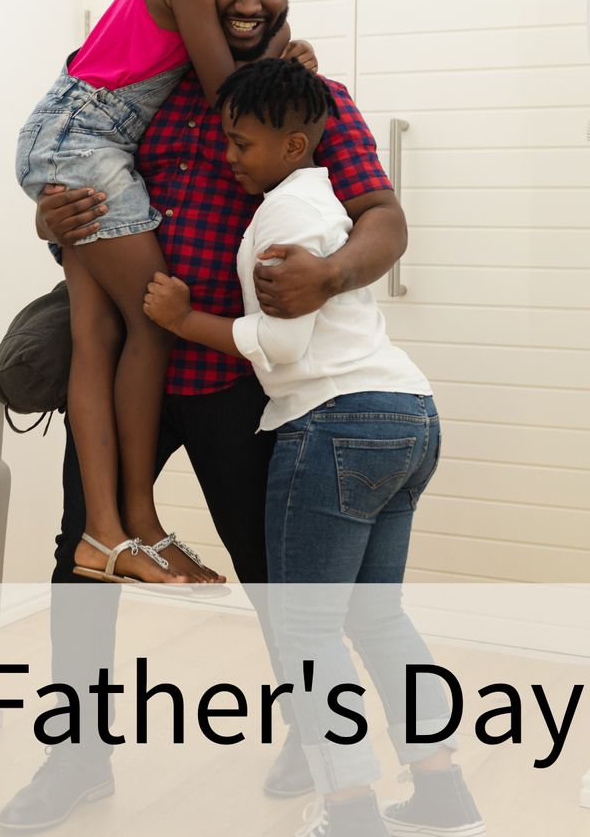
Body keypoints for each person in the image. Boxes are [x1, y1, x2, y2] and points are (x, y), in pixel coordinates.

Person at [0, 0, 406, 832]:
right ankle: (76, 761)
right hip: (126, 377)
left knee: (271, 568)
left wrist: (332, 272)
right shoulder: (147, 89)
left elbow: (384, 219)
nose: (249, 5)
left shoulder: (309, 103)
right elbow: (83, 185)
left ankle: (310, 732)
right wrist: (49, 215)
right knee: (81, 557)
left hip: (235, 375)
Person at [144, 57, 484, 837]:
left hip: (336, 424)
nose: (230, 156)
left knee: (305, 628)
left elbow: (284, 346)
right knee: (377, 617)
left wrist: (182, 320)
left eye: (242, 144)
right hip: (407, 414)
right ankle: (443, 795)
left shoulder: (285, 216)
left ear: (294, 145)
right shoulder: (325, 201)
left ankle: (351, 811)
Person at [15, 0, 313, 586]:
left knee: (99, 334)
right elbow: (227, 98)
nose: (243, 0)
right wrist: (284, 44)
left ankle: (114, 532)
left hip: (222, 370)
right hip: (83, 147)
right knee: (149, 322)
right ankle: (123, 529)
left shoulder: (287, 94)